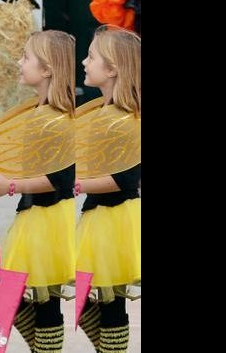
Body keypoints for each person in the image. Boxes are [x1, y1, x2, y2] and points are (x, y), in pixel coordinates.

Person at [0, 30, 77, 352]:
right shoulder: (39, 114)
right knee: (20, 297)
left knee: (42, 302)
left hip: (48, 219)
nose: (19, 62)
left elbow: (60, 179)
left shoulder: (56, 120)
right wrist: (2, 177)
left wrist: (12, 185)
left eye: (26, 57)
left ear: (47, 69)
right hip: (33, 214)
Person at [75, 25, 141, 353]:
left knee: (109, 303)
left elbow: (125, 179)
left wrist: (74, 184)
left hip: (113, 219)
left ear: (113, 69)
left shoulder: (122, 118)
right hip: (99, 215)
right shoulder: (105, 113)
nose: (84, 63)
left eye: (91, 57)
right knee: (101, 301)